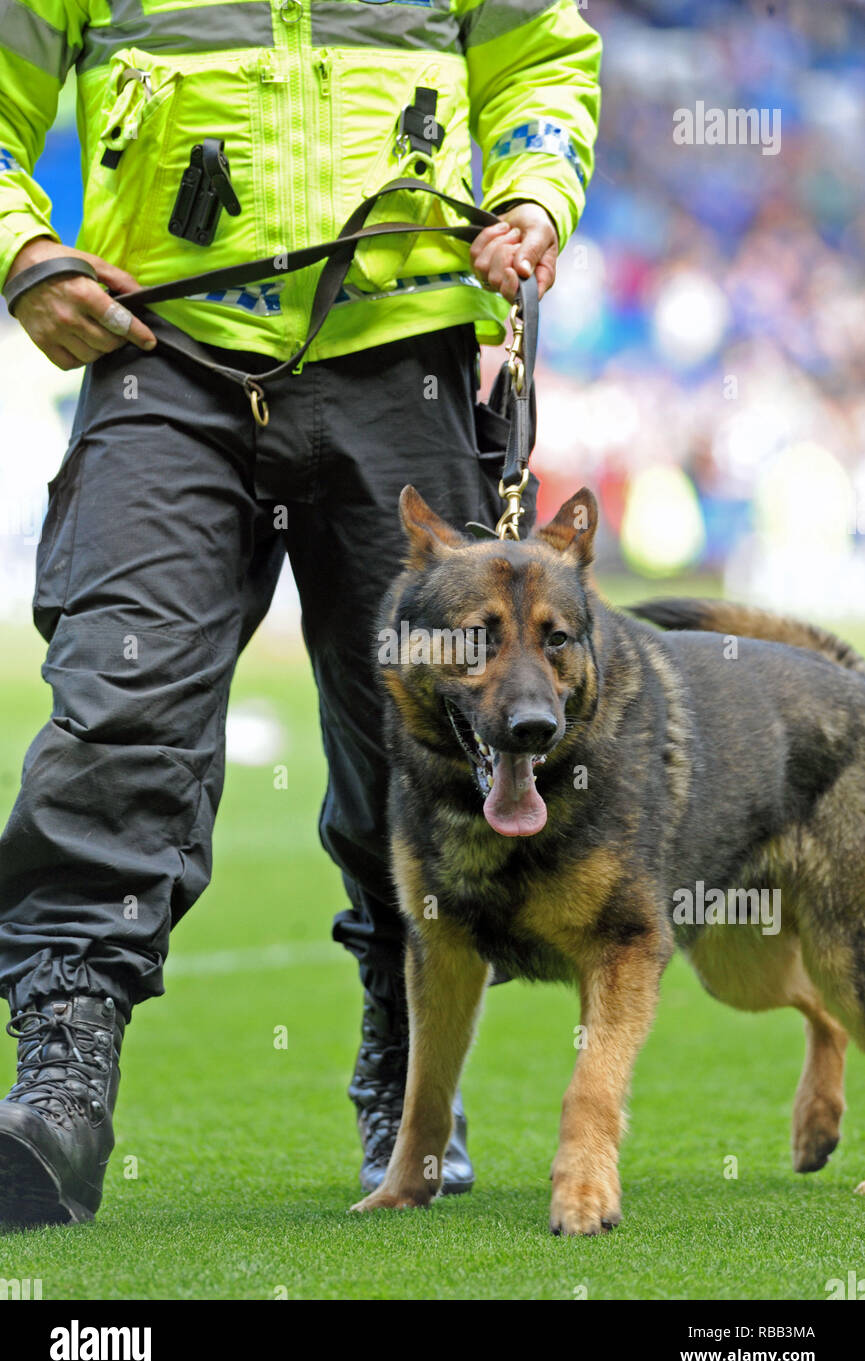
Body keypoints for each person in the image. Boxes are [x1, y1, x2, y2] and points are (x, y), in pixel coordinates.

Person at [0, 0, 601, 1225]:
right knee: (118, 712)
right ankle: (58, 1090)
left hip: (404, 359)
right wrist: (21, 253)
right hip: (160, 353)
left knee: (422, 745)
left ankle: (410, 1075)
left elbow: (541, 54)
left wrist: (535, 194)